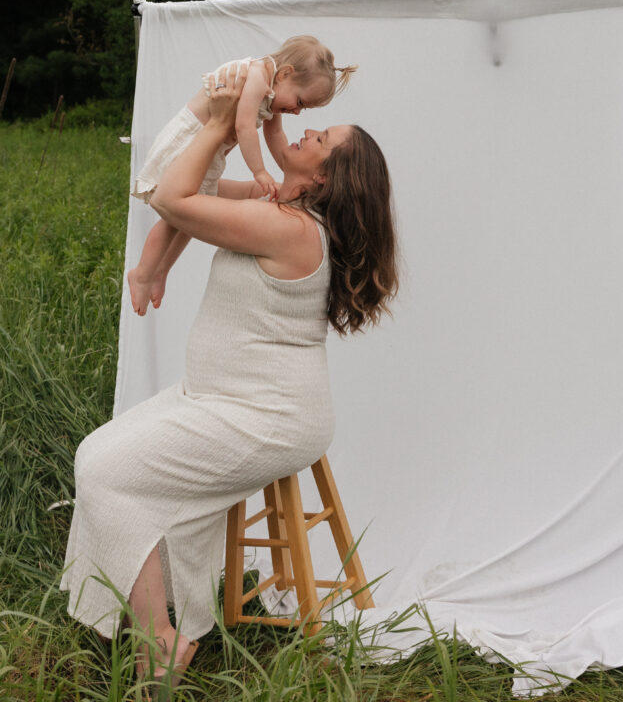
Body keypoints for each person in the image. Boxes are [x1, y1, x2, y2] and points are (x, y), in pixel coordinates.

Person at [60, 62, 398, 690]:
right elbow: (199, 201)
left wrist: (219, 126)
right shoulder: (278, 207)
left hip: (264, 416)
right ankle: (171, 623)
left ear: (323, 175)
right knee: (106, 460)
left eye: (319, 140)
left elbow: (171, 197)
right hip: (220, 399)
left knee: (100, 469)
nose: (306, 133)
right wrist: (154, 264)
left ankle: (159, 639)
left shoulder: (291, 229)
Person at [127, 35, 356, 316]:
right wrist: (259, 171)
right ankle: (142, 272)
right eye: (299, 101)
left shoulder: (273, 91)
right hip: (190, 144)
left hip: (208, 151)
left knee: (190, 218)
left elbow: (275, 134)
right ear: (285, 74)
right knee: (173, 218)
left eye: (303, 108)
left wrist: (291, 173)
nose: (297, 111)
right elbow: (245, 126)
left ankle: (160, 270)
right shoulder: (257, 77)